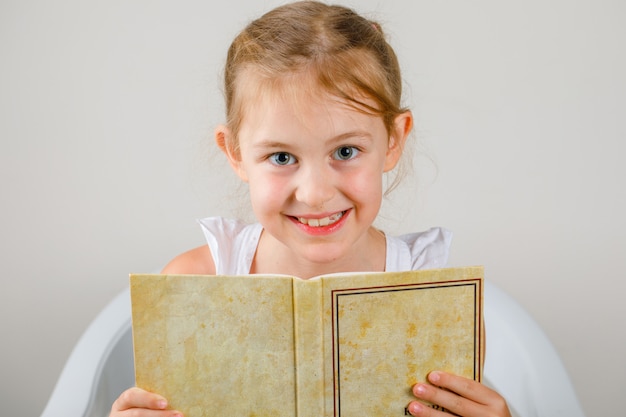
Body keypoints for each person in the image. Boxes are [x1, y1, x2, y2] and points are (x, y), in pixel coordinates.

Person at [110, 1, 512, 416]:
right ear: (234, 152)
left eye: (346, 150)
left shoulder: (442, 306)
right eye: (282, 157)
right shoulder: (189, 287)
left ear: (393, 140)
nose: (316, 194)